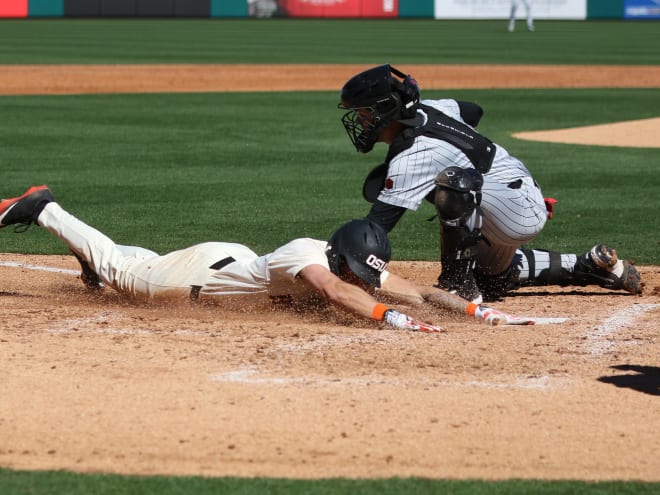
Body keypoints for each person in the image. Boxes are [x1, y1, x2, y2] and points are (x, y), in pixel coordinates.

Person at [0, 185, 533, 333]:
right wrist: (389, 318)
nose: (361, 281)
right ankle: (45, 209)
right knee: (127, 274)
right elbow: (332, 291)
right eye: (355, 271)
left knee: (132, 261)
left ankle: (87, 255)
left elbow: (414, 290)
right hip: (194, 280)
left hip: (226, 261)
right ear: (341, 256)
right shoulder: (311, 259)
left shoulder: (349, 259)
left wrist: (472, 310)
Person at [337, 64, 641, 304]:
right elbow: (473, 111)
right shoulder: (431, 108)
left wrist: (334, 266)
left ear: (386, 109)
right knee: (494, 279)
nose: (360, 121)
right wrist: (464, 148)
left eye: (364, 114)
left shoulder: (414, 157)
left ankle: (458, 285)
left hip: (514, 208)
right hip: (506, 196)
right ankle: (591, 266)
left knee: (453, 183)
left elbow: (376, 225)